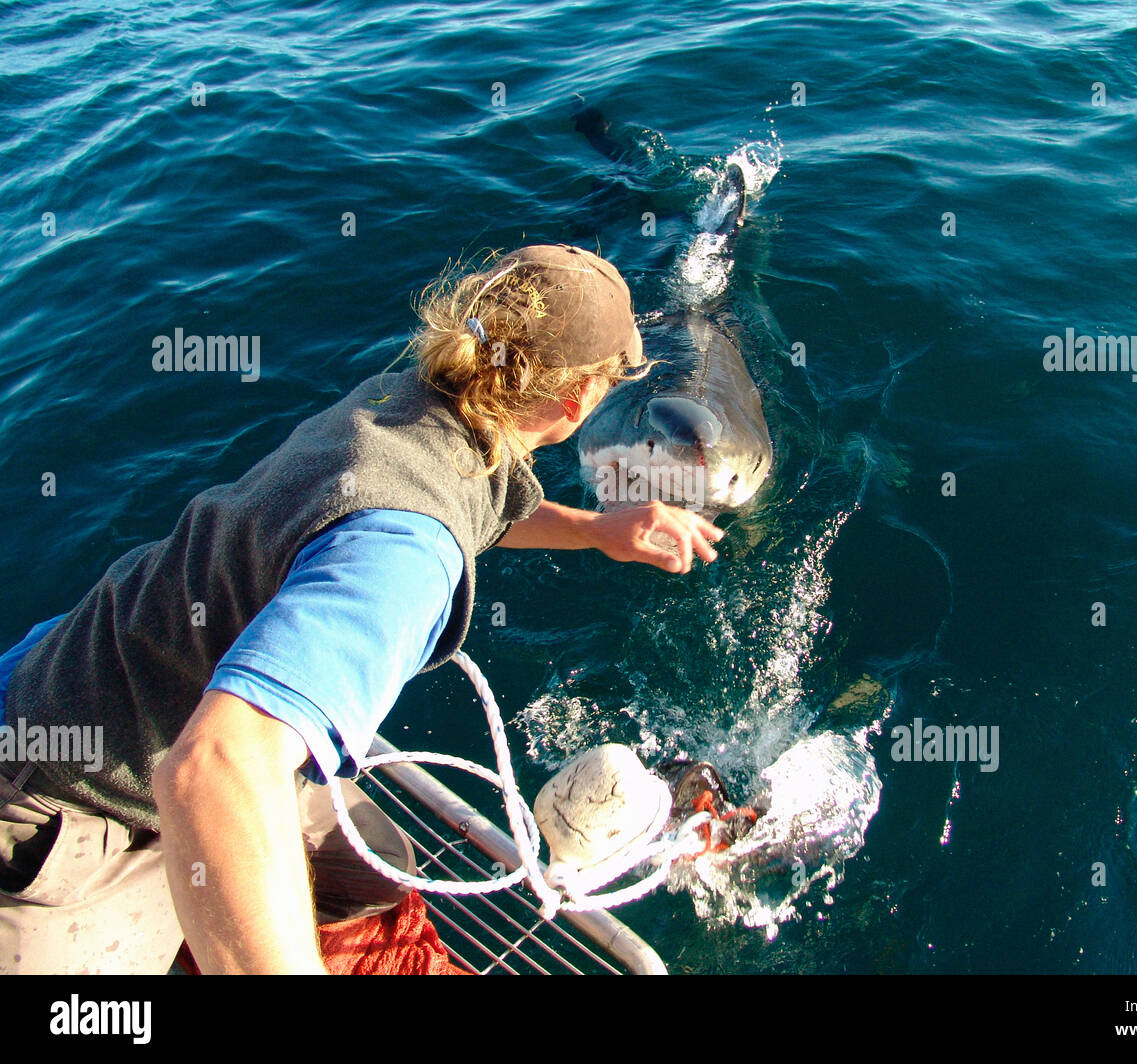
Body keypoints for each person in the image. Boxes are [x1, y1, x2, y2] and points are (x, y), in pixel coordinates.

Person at [0, 244, 724, 974]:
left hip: (116, 672)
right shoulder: (409, 558)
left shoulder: (410, 399)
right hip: (54, 806)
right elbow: (214, 768)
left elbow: (463, 501)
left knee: (373, 867)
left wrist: (596, 533)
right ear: (577, 403)